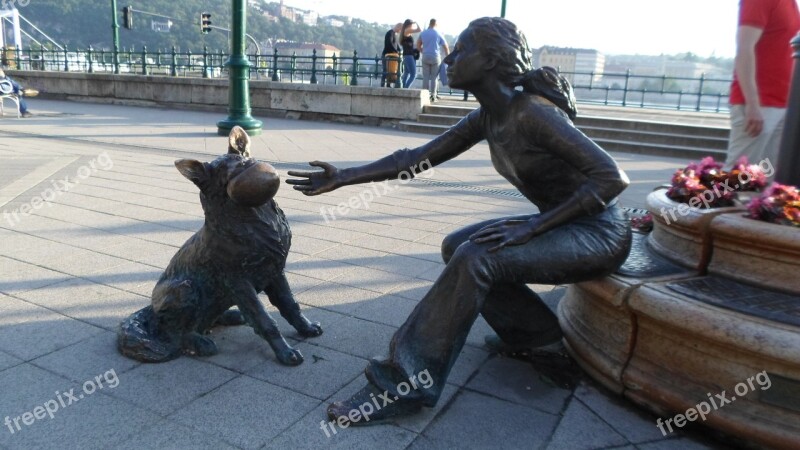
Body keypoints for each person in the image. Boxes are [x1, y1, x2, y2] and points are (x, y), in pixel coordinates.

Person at [286, 17, 631, 423]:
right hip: (567, 225)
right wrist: (344, 176)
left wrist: (533, 227)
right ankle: (537, 338)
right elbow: (415, 160)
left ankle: (404, 384)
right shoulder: (488, 115)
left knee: (476, 257)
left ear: (489, 61)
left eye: (462, 50)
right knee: (458, 245)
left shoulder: (532, 114)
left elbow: (612, 177)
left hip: (599, 234)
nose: (449, 58)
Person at [726, 0, 800, 168]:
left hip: (783, 104)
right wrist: (752, 104)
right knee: (738, 178)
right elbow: (744, 48)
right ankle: (704, 195)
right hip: (760, 105)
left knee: (768, 179)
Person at [417, 18, 449, 102]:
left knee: (426, 76)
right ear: (436, 24)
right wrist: (448, 57)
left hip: (425, 56)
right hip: (435, 56)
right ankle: (433, 95)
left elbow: (418, 45)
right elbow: (446, 47)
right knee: (434, 77)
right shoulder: (438, 33)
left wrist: (422, 51)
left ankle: (424, 95)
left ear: (429, 24)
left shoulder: (423, 33)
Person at [399, 19, 421, 88]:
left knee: (406, 73)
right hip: (409, 56)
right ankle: (406, 88)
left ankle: (402, 87)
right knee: (413, 74)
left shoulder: (404, 31)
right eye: (412, 24)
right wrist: (416, 22)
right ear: (409, 25)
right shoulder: (407, 30)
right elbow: (419, 30)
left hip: (406, 55)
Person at [381, 22, 403, 88]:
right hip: (387, 55)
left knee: (391, 71)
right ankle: (383, 84)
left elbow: (396, 45)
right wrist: (396, 51)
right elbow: (389, 43)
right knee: (386, 70)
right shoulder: (390, 33)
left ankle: (388, 84)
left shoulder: (394, 34)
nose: (400, 32)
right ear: (398, 28)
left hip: (392, 55)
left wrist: (400, 50)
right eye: (400, 30)